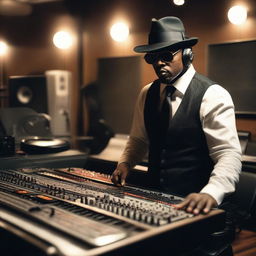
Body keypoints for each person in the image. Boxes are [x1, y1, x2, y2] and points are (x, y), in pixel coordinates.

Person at [111, 16, 242, 255]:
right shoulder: (146, 93)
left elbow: (229, 154)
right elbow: (139, 139)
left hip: (199, 211)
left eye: (167, 55)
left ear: (187, 54)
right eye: (153, 58)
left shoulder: (213, 95)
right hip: (157, 206)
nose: (159, 63)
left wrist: (211, 193)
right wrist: (125, 162)